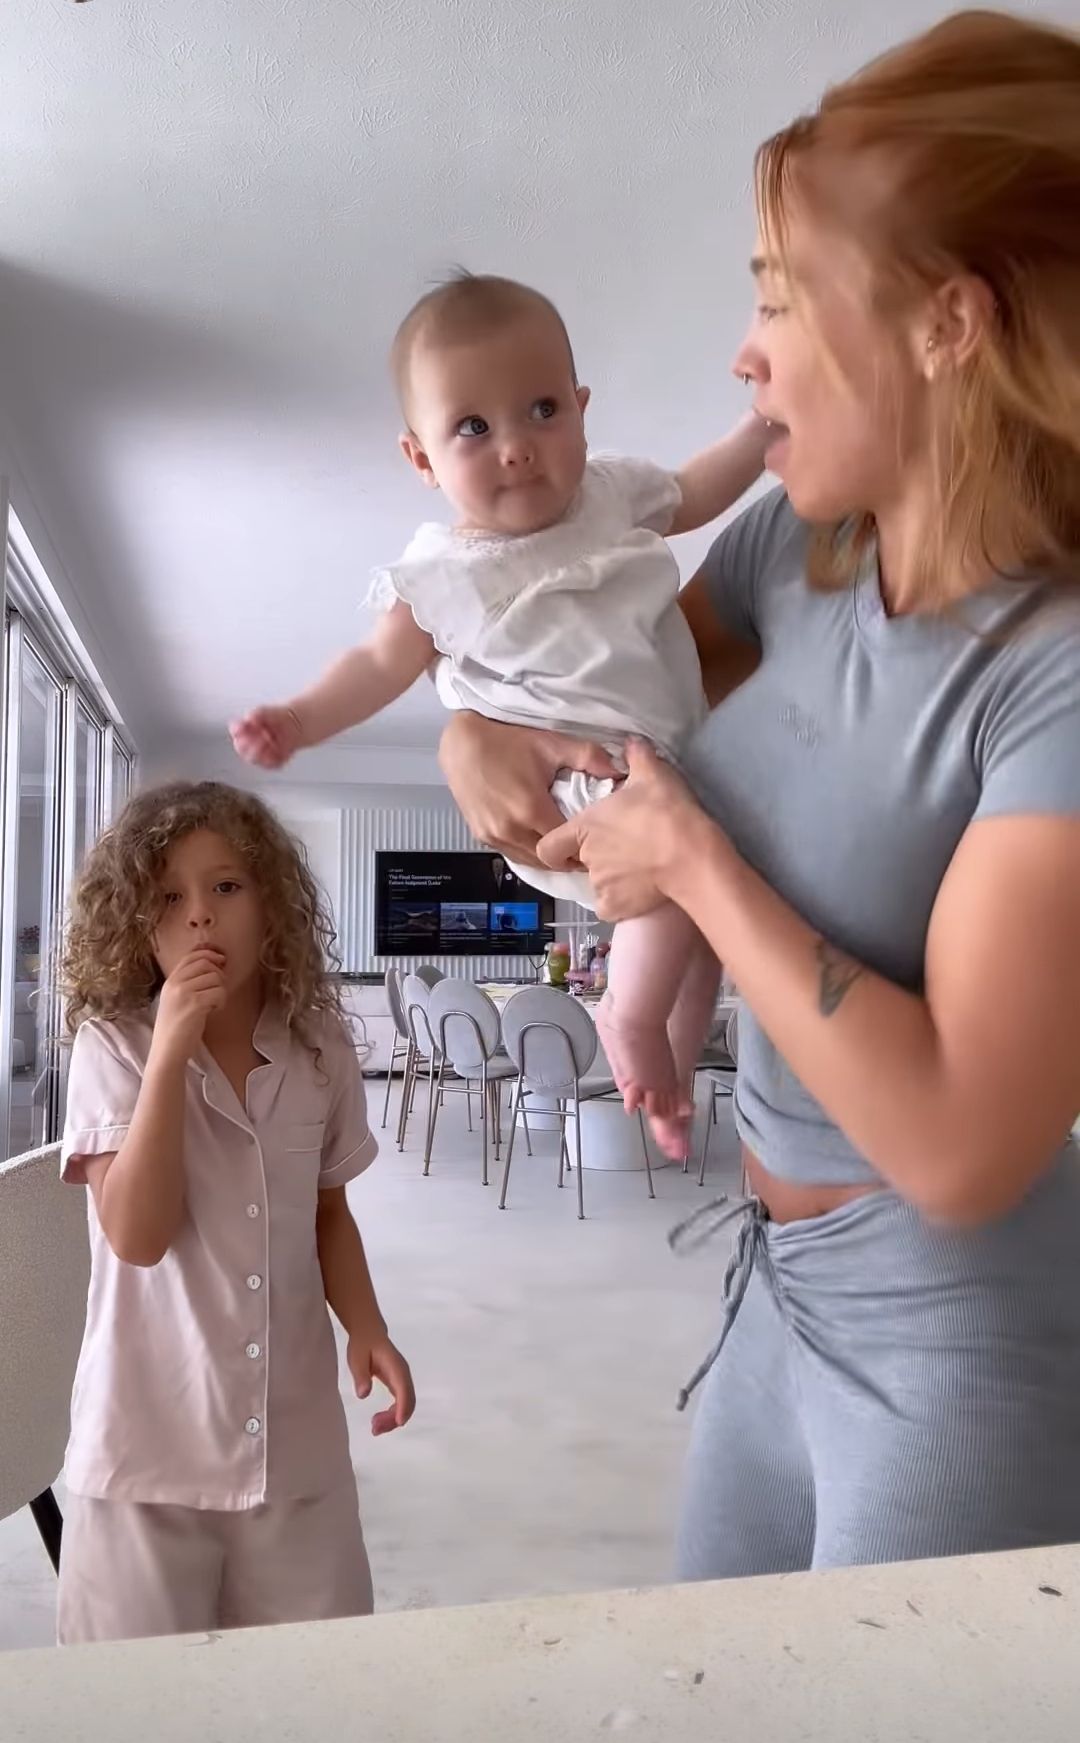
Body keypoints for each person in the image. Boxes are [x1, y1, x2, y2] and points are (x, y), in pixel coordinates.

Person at [438, 8, 1080, 1577]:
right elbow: (607, 711)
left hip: (958, 1336)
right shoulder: (793, 544)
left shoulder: (1057, 671)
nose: (745, 351)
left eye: (781, 297)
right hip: (765, 1285)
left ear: (947, 323)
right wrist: (472, 728)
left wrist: (701, 875)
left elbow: (961, 1148)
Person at [229, 273, 769, 1158]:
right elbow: (375, 665)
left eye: (543, 410)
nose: (517, 447)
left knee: (703, 925)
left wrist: (758, 431)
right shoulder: (443, 573)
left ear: (582, 411)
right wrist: (299, 718)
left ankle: (669, 1077)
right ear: (421, 459)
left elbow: (694, 489)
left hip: (664, 761)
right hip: (576, 780)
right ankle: (628, 1018)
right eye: (473, 427)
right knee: (678, 881)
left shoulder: (610, 494)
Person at [56, 781, 415, 1643]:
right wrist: (170, 1050)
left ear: (271, 903)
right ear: (137, 924)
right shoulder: (112, 1048)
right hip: (146, 1443)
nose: (200, 915)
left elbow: (327, 1211)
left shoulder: (320, 1046)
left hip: (292, 1438)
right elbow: (137, 1236)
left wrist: (366, 1325)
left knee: (317, 1669)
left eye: (226, 886)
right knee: (131, 1693)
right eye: (168, 897)